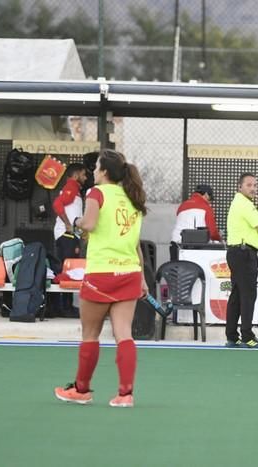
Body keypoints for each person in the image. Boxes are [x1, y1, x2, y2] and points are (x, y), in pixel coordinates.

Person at [54, 149, 148, 408]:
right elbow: (136, 243)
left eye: (96, 167)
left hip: (101, 273)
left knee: (90, 334)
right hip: (129, 272)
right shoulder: (133, 197)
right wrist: (141, 278)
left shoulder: (96, 193)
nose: (93, 171)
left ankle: (82, 390)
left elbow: (91, 224)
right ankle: (125, 394)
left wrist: (76, 221)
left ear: (104, 171)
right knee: (124, 334)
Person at [225, 173, 258, 348]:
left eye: (255, 185)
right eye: (249, 185)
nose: (253, 188)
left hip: (237, 252)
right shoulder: (245, 205)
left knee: (236, 295)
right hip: (244, 254)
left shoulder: (241, 203)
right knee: (248, 295)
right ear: (240, 187)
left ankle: (232, 336)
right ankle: (247, 336)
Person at [52, 163, 87, 317]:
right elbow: (57, 204)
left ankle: (65, 306)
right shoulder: (71, 186)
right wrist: (67, 223)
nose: (85, 178)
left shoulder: (75, 190)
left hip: (71, 236)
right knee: (68, 270)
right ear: (75, 175)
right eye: (83, 174)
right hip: (66, 236)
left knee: (68, 270)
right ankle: (64, 307)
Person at [170, 184, 221, 261]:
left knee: (176, 270)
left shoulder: (182, 206)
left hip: (175, 243)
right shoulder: (206, 207)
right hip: (194, 246)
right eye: (209, 199)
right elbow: (213, 232)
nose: (209, 202)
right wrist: (219, 238)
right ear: (206, 194)